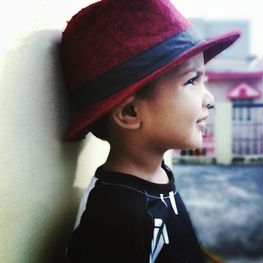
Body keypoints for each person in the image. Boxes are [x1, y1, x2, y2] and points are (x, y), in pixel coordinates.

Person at [61, 0, 240, 262]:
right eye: (191, 80)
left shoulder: (156, 174)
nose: (209, 99)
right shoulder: (115, 218)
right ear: (130, 113)